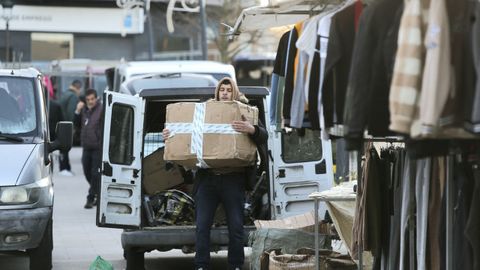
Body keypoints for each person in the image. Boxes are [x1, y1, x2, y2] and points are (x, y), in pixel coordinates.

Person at [163, 78, 268, 270]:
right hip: (207, 179)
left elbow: (264, 135)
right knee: (202, 227)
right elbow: (185, 132)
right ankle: (201, 265)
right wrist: (170, 134)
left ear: (234, 92)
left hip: (233, 179)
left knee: (236, 227)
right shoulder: (205, 112)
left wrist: (251, 129)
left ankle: (235, 265)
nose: (225, 93)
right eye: (222, 90)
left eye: (229, 90)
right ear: (217, 93)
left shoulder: (244, 110)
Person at [74, 89, 103, 209]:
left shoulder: (101, 109)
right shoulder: (84, 110)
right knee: (86, 172)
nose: (90, 102)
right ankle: (98, 192)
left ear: (96, 98)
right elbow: (76, 124)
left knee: (95, 173)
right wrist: (77, 111)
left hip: (97, 146)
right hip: (86, 146)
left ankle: (90, 198)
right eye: (88, 100)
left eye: (92, 99)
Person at [58, 79, 82, 176]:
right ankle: (65, 168)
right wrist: (73, 127)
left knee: (62, 148)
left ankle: (65, 167)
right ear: (77, 87)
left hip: (60, 124)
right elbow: (71, 113)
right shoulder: (73, 97)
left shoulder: (65, 94)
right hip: (66, 126)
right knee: (65, 148)